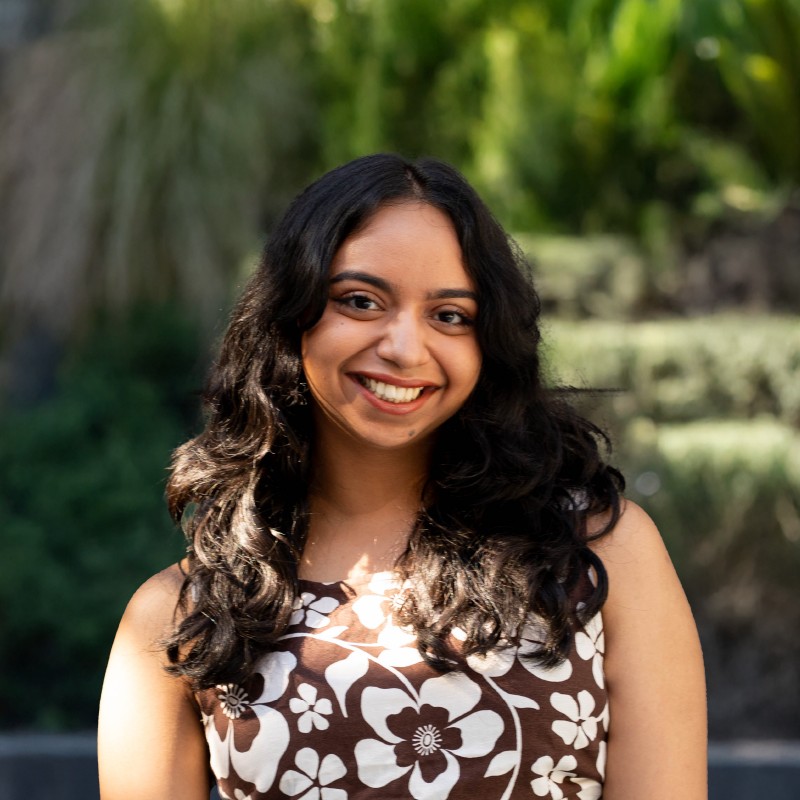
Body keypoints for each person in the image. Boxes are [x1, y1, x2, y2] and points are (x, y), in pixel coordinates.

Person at [98, 154, 707, 799]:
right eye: (361, 302)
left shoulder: (597, 557)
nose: (405, 349)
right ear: (290, 316)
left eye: (450, 315)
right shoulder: (183, 614)